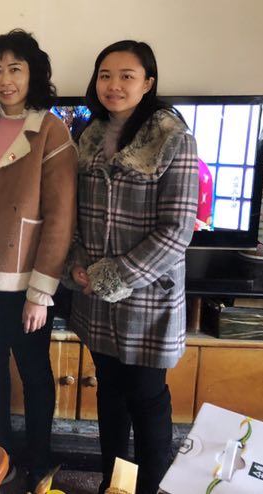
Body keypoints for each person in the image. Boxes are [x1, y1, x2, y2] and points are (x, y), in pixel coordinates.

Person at [67, 40, 198, 494]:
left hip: (147, 297)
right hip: (95, 297)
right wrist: (79, 262)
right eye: (105, 75)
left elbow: (177, 231)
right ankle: (113, 484)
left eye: (127, 76)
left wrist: (113, 275)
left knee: (146, 399)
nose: (114, 85)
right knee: (109, 394)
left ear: (148, 83)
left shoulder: (173, 139)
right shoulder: (88, 136)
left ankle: (147, 489)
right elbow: (76, 213)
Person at [0, 30, 77, 491]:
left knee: (33, 370)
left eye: (15, 69)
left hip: (23, 277)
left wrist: (40, 293)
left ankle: (39, 462)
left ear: (33, 74)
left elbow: (60, 218)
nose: (5, 79)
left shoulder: (50, 130)